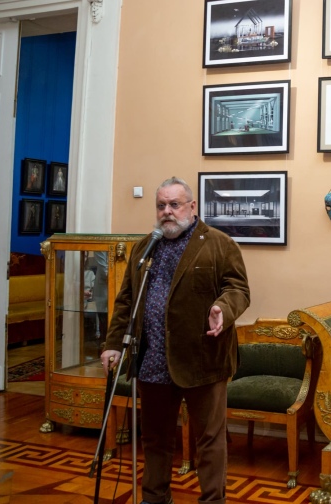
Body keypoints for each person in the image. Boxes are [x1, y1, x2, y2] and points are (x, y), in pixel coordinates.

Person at [101, 177, 250, 504]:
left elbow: (238, 289)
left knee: (209, 440)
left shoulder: (219, 243)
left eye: (174, 204)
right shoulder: (145, 247)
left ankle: (213, 501)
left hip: (203, 359)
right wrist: (113, 343)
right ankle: (155, 498)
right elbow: (126, 300)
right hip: (152, 360)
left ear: (192, 207)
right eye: (161, 205)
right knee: (155, 439)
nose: (167, 211)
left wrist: (222, 310)